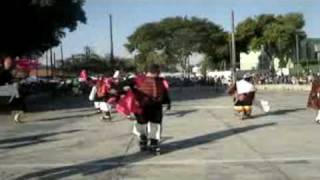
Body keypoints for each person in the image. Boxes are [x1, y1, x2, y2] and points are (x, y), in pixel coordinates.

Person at [131, 64, 171, 155]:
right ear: (155, 72)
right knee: (145, 123)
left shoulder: (159, 80)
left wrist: (167, 102)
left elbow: (165, 92)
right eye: (158, 72)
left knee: (151, 124)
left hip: (152, 106)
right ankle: (145, 140)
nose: (159, 74)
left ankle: (150, 142)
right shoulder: (138, 79)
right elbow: (124, 86)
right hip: (144, 106)